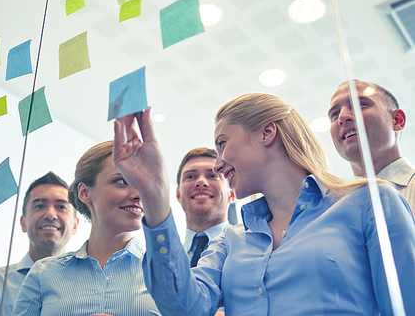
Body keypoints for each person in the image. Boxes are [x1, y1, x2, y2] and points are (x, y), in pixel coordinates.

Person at [113, 97, 415, 316]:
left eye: (221, 143)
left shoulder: (371, 202)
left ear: (266, 133)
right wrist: (153, 195)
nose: (218, 164)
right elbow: (182, 307)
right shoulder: (230, 241)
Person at [12, 141, 160, 316]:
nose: (137, 194)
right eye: (122, 181)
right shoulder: (43, 273)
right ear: (84, 192)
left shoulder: (167, 273)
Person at [0, 172, 79, 316]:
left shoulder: (90, 286)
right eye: (39, 206)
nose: (50, 214)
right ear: (23, 223)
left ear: (75, 224)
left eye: (62, 207)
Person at [329, 80, 415, 212]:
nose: (342, 116)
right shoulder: (331, 210)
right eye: (334, 114)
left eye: (359, 105)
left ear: (397, 120)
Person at [176, 148, 234, 267]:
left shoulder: (251, 251)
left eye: (212, 175)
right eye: (190, 177)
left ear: (231, 194)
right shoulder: (164, 262)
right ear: (178, 195)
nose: (201, 181)